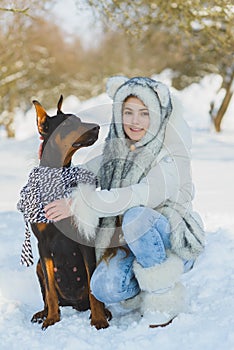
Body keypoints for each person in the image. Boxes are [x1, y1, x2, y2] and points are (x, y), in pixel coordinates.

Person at [44, 76, 205, 327]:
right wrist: (49, 171)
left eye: (144, 113)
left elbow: (140, 194)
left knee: (136, 216)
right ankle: (143, 283)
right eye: (128, 112)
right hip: (130, 242)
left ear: (157, 114)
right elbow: (85, 172)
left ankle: (163, 300)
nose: (134, 121)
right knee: (103, 287)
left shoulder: (171, 152)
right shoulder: (118, 148)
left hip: (171, 238)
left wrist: (80, 204)